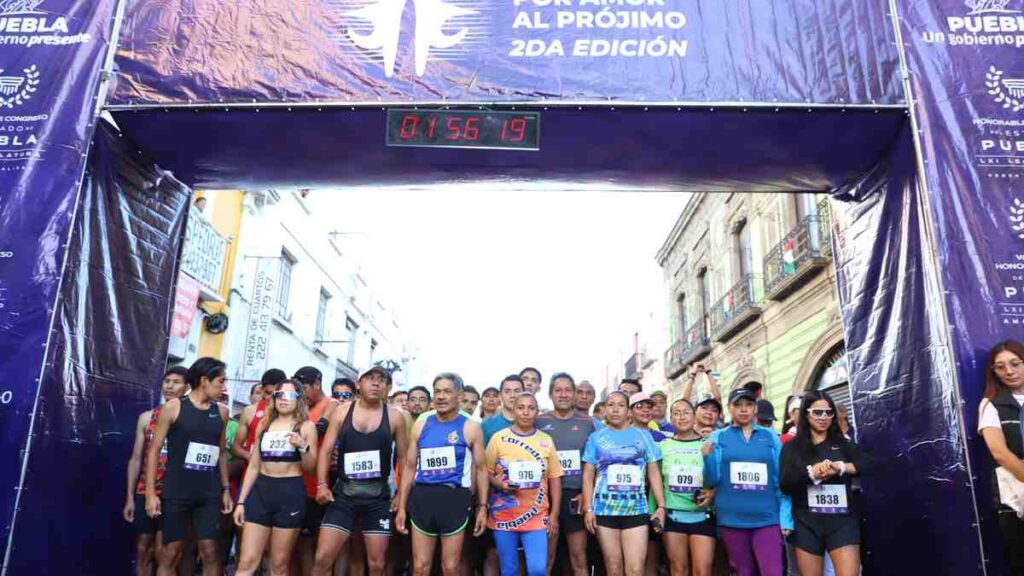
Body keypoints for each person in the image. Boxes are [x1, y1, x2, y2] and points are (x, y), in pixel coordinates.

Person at [312, 366, 409, 576]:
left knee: (377, 565)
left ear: (387, 387)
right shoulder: (342, 411)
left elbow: (405, 460)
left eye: (381, 380)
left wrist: (401, 494)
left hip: (377, 498)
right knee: (322, 559)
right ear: (358, 383)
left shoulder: (395, 417)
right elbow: (326, 451)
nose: (376, 383)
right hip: (344, 495)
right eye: (370, 378)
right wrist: (321, 484)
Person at [146, 357, 234, 576]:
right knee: (170, 553)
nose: (224, 387)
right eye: (220, 381)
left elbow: (221, 452)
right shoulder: (173, 407)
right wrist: (150, 493)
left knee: (210, 552)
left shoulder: (222, 412)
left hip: (208, 493)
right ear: (204, 380)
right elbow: (154, 450)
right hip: (177, 490)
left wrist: (225, 490)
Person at [395, 373, 489, 576]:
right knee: (420, 567)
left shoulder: (471, 426)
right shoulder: (421, 424)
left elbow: (481, 469)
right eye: (437, 391)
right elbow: (409, 468)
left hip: (454, 498)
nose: (441, 396)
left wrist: (482, 507)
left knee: (450, 567)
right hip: (422, 497)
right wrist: (402, 506)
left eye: (447, 391)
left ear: (459, 394)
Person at [702, 388, 792, 576]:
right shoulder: (718, 437)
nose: (744, 409)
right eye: (738, 405)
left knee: (773, 571)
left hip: (767, 518)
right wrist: (707, 459)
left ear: (755, 409)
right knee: (744, 572)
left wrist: (786, 517)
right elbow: (711, 480)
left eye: (749, 405)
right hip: (732, 518)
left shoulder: (771, 437)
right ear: (729, 408)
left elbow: (781, 479)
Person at [780, 391, 871, 576]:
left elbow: (868, 464)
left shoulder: (843, 443)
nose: (824, 417)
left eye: (828, 413)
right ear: (806, 413)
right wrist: (812, 473)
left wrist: (841, 467)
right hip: (807, 522)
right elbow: (785, 483)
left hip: (841, 520)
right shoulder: (792, 447)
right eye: (817, 412)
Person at [234, 380, 319, 576]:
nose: (283, 399)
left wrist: (302, 446)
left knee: (279, 564)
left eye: (289, 396)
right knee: (246, 562)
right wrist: (241, 502)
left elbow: (310, 468)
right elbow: (254, 466)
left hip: (290, 493)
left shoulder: (306, 427)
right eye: (279, 395)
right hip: (261, 491)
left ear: (299, 399)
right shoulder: (264, 425)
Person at [582, 391, 666, 576]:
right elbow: (588, 475)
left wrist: (661, 505)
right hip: (605, 509)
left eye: (620, 405)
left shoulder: (644, 436)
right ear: (605, 409)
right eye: (611, 404)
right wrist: (588, 509)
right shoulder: (596, 438)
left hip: (636, 509)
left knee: (635, 569)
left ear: (628, 411)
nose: (615, 409)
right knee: (613, 568)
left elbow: (653, 471)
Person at [487, 393, 564, 576]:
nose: (525, 412)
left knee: (538, 569)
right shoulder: (499, 438)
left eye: (531, 408)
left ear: (537, 412)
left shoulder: (545, 440)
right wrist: (499, 484)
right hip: (504, 516)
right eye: (521, 407)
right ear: (513, 410)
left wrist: (554, 515)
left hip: (537, 515)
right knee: (509, 569)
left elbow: (554, 478)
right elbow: (486, 472)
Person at [124, 367, 190, 576]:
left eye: (176, 382)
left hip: (175, 495)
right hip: (146, 491)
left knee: (166, 553)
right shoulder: (147, 417)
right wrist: (129, 498)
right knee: (143, 549)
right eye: (167, 381)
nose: (170, 386)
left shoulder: (191, 419)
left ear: (187, 387)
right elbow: (136, 459)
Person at [537, 373, 597, 576]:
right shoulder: (538, 421)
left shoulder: (589, 423)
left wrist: (586, 495)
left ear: (574, 394)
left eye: (567, 390)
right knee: (546, 558)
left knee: (579, 558)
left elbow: (598, 462)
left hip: (576, 496)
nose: (563, 394)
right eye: (558, 390)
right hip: (544, 498)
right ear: (550, 394)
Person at [978, 340, 1024, 575]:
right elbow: (999, 452)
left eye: (1015, 363)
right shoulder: (991, 404)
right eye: (1000, 366)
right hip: (1014, 501)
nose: (1009, 371)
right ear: (993, 371)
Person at [294, 366, 342, 574]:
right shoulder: (301, 407)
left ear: (317, 383)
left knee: (320, 547)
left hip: (319, 485)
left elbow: (320, 428)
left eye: (304, 388)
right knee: (301, 544)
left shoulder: (332, 404)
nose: (301, 393)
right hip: (297, 483)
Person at [659, 399, 715, 576]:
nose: (681, 417)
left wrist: (713, 493)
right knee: (678, 569)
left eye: (686, 412)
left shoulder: (708, 445)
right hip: (673, 516)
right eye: (676, 413)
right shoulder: (663, 446)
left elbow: (718, 478)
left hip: (703, 515)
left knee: (702, 571)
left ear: (694, 415)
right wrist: (657, 511)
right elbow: (656, 482)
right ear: (671, 418)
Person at [483, 375, 524, 448]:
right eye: (507, 391)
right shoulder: (486, 425)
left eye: (517, 391)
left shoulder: (534, 424)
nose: (512, 395)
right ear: (500, 396)